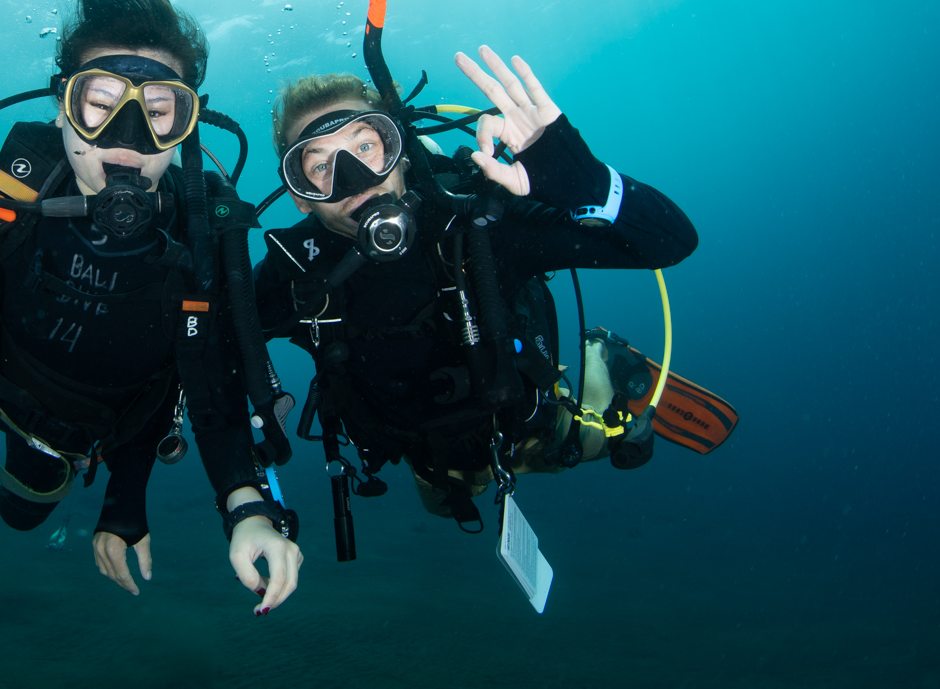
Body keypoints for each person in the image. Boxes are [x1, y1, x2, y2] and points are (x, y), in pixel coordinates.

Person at [0, 0, 302, 613]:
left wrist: (244, 509)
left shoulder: (203, 226)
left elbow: (207, 380)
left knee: (23, 514)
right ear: (62, 108)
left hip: (97, 424)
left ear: (188, 123)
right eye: (100, 104)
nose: (128, 140)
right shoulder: (19, 176)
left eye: (159, 112)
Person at [255, 42, 698, 538]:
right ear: (299, 197)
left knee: (579, 446)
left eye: (365, 146)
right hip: (427, 454)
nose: (356, 179)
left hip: (528, 421)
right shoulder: (294, 274)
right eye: (320, 166)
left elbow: (670, 242)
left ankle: (600, 359)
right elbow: (203, 342)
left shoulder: (481, 221)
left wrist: (585, 183)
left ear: (400, 149)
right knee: (445, 503)